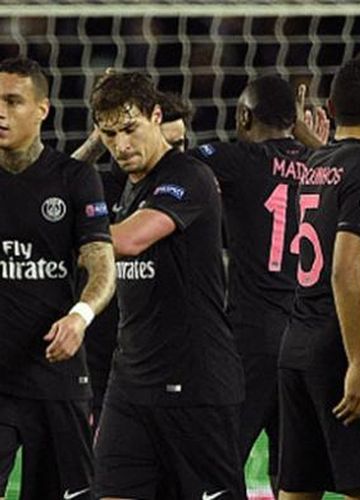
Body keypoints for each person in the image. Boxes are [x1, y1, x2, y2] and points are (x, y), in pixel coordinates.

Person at [88, 71, 245, 499]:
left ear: (157, 116)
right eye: (108, 134)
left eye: (130, 129)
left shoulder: (188, 176)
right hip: (131, 386)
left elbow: (129, 240)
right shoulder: (126, 187)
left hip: (194, 385)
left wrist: (47, 231)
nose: (120, 145)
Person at [189, 74, 327, 494]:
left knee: (215, 466)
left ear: (244, 115)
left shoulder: (239, 158)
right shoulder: (325, 168)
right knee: (294, 477)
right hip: (309, 339)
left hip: (253, 338)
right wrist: (316, 147)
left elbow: (173, 167)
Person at [276, 53, 360, 499]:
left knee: (298, 489)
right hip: (343, 350)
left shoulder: (311, 167)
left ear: (330, 107)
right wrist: (359, 362)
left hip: (296, 347)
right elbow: (346, 269)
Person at [0, 57, 116, 500]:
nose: (1, 112)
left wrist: (79, 317)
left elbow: (102, 265)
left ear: (42, 109)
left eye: (13, 101)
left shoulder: (75, 179)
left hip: (57, 378)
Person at [72, 87, 192, 429]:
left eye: (179, 145)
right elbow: (52, 187)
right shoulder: (104, 186)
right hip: (100, 344)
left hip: (164, 353)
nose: (170, 155)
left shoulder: (189, 182)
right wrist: (101, 134)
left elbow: (128, 241)